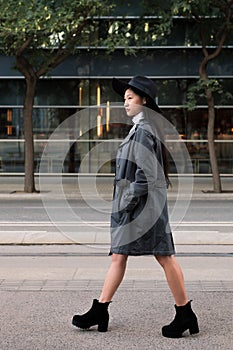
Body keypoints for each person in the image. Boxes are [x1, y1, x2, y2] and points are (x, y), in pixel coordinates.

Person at [72, 76, 199, 338]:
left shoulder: (144, 131)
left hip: (141, 209)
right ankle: (101, 310)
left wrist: (126, 202)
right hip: (139, 207)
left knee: (163, 255)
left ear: (145, 101)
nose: (125, 103)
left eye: (130, 98)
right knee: (120, 255)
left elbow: (147, 175)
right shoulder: (140, 128)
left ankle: (185, 313)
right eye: (124, 98)